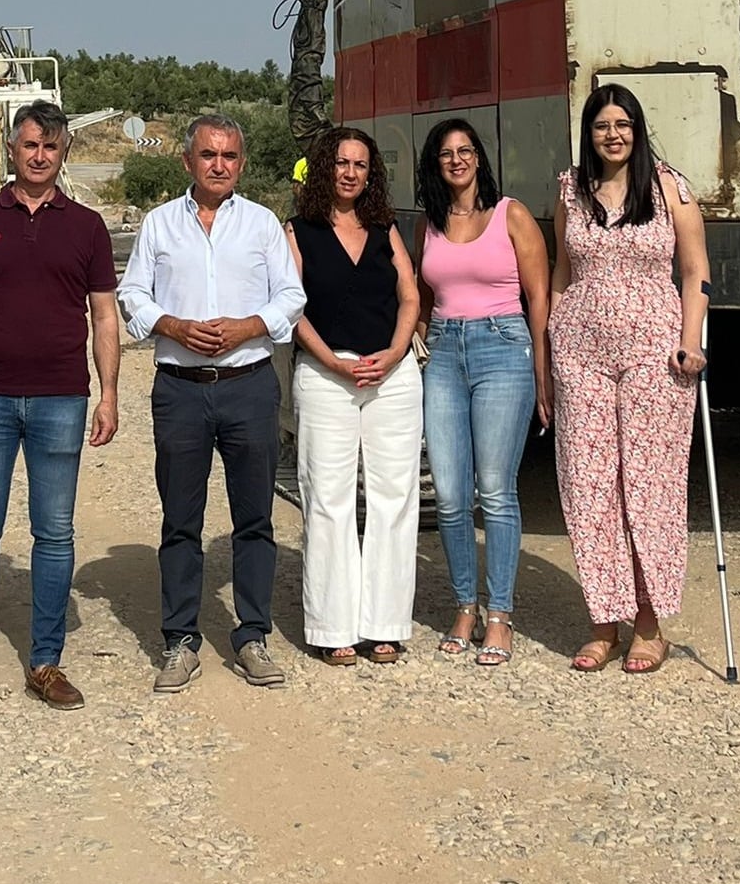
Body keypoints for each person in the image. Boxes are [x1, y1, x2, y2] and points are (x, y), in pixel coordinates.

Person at [0, 101, 120, 716]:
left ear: (63, 153)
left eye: (51, 146)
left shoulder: (87, 227)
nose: (39, 156)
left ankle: (44, 661)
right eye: (29, 144)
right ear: (9, 149)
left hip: (63, 396)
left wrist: (110, 391)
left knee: (55, 532)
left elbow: (104, 317)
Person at [118, 114, 306, 693]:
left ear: (241, 164)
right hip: (181, 389)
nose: (218, 165)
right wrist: (170, 324)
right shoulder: (158, 225)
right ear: (188, 161)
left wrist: (250, 325)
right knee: (180, 521)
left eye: (228, 156)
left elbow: (291, 297)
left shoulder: (262, 224)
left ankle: (252, 635)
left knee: (255, 519)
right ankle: (180, 640)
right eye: (207, 155)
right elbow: (131, 293)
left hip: (248, 386)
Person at [551, 84, 708, 674]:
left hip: (655, 352)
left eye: (623, 124)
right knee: (589, 483)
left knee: (648, 484)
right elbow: (563, 273)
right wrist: (553, 342)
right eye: (600, 125)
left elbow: (695, 272)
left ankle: (649, 622)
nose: (612, 134)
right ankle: (602, 620)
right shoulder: (570, 190)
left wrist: (691, 340)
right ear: (587, 132)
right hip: (581, 351)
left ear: (638, 130)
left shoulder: (670, 187)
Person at [416, 118, 551, 667]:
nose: (456, 160)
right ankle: (464, 605)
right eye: (446, 153)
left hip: (503, 349)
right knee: (449, 493)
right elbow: (422, 298)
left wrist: (544, 374)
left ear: (479, 157)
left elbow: (540, 299)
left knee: (495, 490)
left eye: (465, 150)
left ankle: (500, 614)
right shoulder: (430, 222)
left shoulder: (510, 215)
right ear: (436, 163)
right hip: (444, 353)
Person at [285, 127, 421, 665]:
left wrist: (393, 353)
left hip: (392, 374)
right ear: (325, 168)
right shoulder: (297, 230)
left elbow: (410, 295)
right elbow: (291, 308)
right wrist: (331, 361)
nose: (350, 173)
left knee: (393, 499)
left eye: (361, 165)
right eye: (341, 163)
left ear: (372, 174)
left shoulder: (385, 228)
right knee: (329, 499)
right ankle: (332, 626)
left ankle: (384, 623)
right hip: (325, 376)